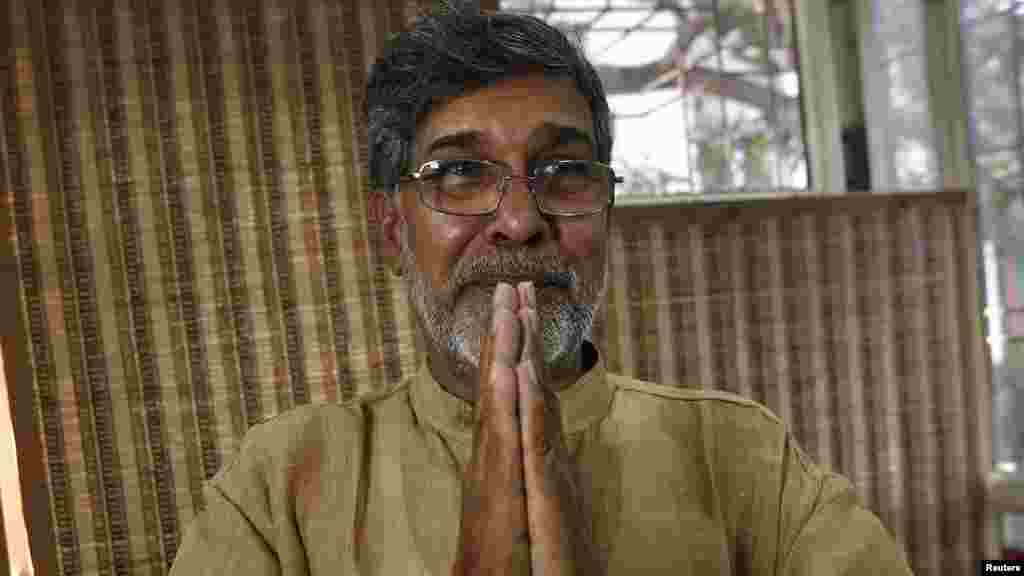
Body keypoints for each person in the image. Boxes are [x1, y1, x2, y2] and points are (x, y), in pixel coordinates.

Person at [169, 2, 914, 574]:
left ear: (607, 210)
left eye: (564, 171)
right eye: (460, 173)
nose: (521, 222)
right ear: (392, 231)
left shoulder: (741, 454)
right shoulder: (279, 485)